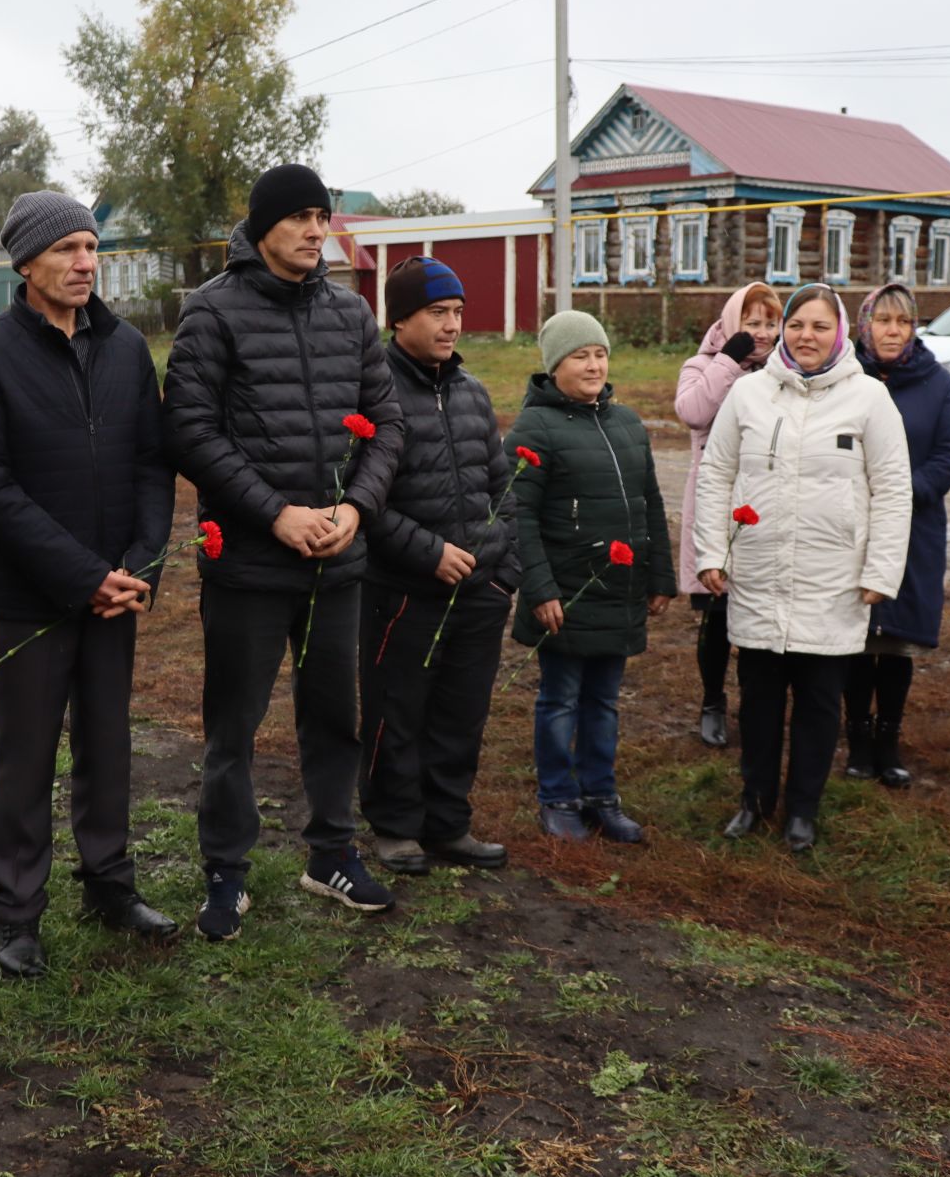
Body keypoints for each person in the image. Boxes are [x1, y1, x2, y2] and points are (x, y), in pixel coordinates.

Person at [162, 163, 406, 941]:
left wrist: (354, 507)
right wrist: (276, 515)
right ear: (261, 226)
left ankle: (331, 852)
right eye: (299, 216)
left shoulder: (351, 315)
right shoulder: (212, 314)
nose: (314, 229)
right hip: (250, 565)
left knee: (336, 717)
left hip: (335, 560)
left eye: (322, 216)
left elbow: (387, 424)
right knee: (233, 727)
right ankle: (226, 872)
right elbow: (191, 433)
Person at [0, 192, 178, 979]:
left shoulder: (124, 349)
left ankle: (109, 885)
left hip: (118, 590)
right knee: (25, 756)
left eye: (92, 247)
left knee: (108, 746)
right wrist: (82, 576)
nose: (85, 262)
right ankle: (16, 913)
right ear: (26, 264)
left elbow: (153, 462)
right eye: (69, 249)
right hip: (36, 599)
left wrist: (139, 567)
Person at [693, 284, 911, 853]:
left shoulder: (868, 399)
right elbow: (716, 474)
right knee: (759, 699)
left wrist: (880, 571)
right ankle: (755, 800)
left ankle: (803, 811)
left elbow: (892, 489)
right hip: (761, 574)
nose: (805, 337)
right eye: (796, 326)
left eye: (818, 326)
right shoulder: (748, 394)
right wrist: (712, 553)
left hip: (832, 579)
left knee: (818, 702)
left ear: (838, 332)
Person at [357, 257, 518, 875]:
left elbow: (504, 488)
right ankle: (396, 826)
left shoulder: (473, 393)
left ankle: (449, 824)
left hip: (478, 592)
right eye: (437, 313)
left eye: (457, 313)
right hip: (403, 590)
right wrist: (428, 553)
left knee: (461, 712)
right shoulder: (374, 393)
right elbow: (360, 496)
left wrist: (505, 571)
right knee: (397, 710)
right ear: (399, 319)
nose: (452, 326)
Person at [507, 310, 677, 844]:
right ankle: (558, 798)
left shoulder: (626, 423)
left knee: (604, 700)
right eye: (581, 355)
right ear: (555, 365)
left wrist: (659, 576)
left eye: (599, 353)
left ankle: (601, 797)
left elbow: (649, 502)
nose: (594, 364)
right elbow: (519, 516)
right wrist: (539, 589)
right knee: (559, 698)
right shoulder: (535, 427)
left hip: (618, 589)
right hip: (566, 592)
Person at [842, 283, 950, 788]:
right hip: (851, 525)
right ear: (864, 324)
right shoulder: (843, 376)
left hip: (914, 527)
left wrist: (905, 491)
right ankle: (856, 741)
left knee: (895, 645)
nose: (893, 331)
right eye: (884, 321)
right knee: (854, 639)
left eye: (904, 322)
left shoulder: (936, 382)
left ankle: (888, 745)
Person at [676, 283, 781, 747]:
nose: (761, 333)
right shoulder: (701, 366)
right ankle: (711, 700)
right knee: (715, 616)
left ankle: (757, 703)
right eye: (751, 322)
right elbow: (693, 412)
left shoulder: (782, 371)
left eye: (769, 323)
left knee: (760, 611)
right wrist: (729, 362)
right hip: (715, 505)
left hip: (763, 505)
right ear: (732, 323)